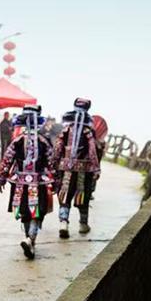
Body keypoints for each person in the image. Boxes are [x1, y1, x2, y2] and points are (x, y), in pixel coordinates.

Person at [0, 105, 55, 259]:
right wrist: (57, 181)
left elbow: (7, 159)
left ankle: (29, 239)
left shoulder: (17, 140)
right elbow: (52, 163)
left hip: (20, 183)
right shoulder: (44, 141)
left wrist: (1, 178)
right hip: (39, 183)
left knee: (25, 212)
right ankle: (30, 239)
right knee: (37, 212)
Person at [53, 98, 101, 238]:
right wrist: (96, 168)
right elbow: (92, 151)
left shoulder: (66, 129)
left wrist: (54, 164)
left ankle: (63, 223)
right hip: (83, 170)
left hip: (66, 168)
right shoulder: (88, 131)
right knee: (82, 195)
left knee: (65, 195)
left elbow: (58, 147)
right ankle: (83, 224)